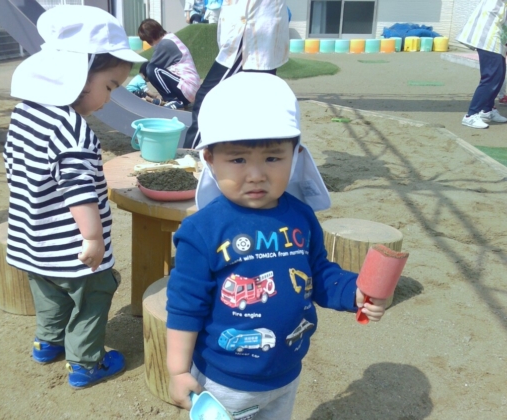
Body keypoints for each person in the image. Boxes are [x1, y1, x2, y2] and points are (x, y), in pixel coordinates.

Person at [166, 72, 387, 419]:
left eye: (272, 158)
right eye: (238, 159)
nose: (256, 174)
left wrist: (355, 291)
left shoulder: (300, 215)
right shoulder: (202, 230)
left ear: (295, 154)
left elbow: (317, 272)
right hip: (224, 382)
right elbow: (185, 306)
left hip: (286, 371)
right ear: (209, 159)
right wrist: (178, 370)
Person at [4, 5, 146, 389]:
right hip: (72, 245)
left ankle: (47, 343)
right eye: (110, 87)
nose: (109, 98)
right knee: (92, 296)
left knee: (49, 292)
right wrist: (93, 238)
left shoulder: (25, 113)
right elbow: (78, 190)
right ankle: (85, 364)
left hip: (31, 239)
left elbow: (14, 167)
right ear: (78, 72)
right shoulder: (72, 129)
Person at [183, 0, 290, 149]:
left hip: (250, 32)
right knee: (251, 106)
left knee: (206, 99)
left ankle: (190, 154)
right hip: (254, 29)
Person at [457, 0, 507, 129]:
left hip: (498, 37)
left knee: (499, 76)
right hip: (488, 36)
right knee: (491, 77)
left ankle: (487, 110)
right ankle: (471, 115)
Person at [137, 19, 200, 110]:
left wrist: (138, 82)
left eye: (148, 41)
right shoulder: (170, 38)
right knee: (154, 69)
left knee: (151, 69)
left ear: (151, 37)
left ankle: (172, 100)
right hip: (191, 89)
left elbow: (148, 70)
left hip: (187, 87)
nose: (150, 45)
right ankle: (177, 101)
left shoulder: (164, 44)